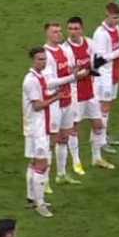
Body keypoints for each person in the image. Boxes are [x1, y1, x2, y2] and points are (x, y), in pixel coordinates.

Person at [64, 17, 113, 172]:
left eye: (76, 28)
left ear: (82, 29)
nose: (73, 32)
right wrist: (83, 72)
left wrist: (90, 70)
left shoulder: (89, 43)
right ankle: (76, 162)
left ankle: (96, 158)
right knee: (74, 128)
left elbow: (96, 62)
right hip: (75, 94)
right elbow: (70, 72)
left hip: (90, 92)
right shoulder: (66, 49)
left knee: (98, 124)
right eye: (70, 28)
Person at [92, 2, 119, 167]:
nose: (117, 20)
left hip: (114, 72)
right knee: (104, 109)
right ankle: (101, 142)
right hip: (104, 76)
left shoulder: (115, 29)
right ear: (107, 14)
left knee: (108, 108)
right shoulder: (101, 34)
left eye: (118, 17)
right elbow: (100, 59)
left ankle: (104, 136)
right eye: (114, 17)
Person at [22, 47, 62, 217]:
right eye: (39, 59)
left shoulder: (40, 78)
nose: (43, 62)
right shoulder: (31, 80)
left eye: (44, 59)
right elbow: (38, 105)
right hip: (36, 129)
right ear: (32, 60)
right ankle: (40, 204)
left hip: (38, 127)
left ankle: (32, 198)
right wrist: (56, 98)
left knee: (34, 163)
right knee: (42, 165)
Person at [41, 23, 82, 188]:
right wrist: (72, 78)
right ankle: (44, 182)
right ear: (47, 34)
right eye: (54, 32)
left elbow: (70, 70)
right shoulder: (46, 55)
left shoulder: (65, 50)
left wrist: (76, 73)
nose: (58, 34)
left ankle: (61, 174)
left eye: (59, 31)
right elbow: (49, 83)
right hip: (53, 103)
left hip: (66, 100)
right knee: (50, 142)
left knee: (64, 138)